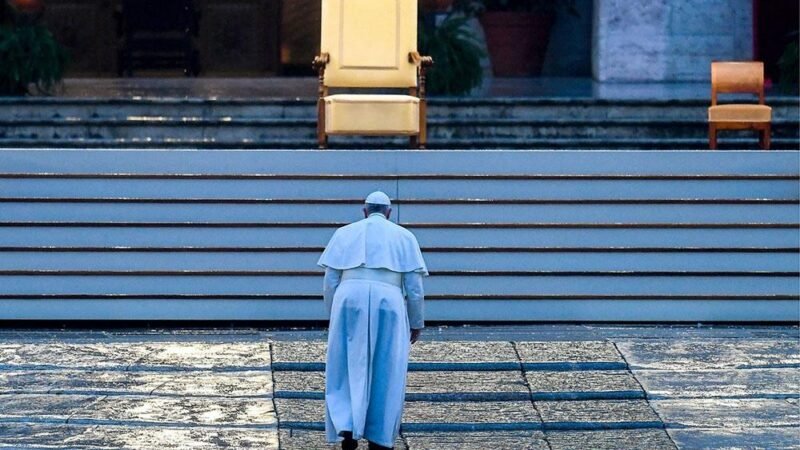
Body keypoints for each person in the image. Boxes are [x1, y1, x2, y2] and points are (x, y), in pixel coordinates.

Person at [318, 191, 427, 450]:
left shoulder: (344, 233)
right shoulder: (405, 237)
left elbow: (331, 281)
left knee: (345, 364)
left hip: (348, 298)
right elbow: (414, 288)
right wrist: (416, 322)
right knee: (386, 366)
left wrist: (333, 314)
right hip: (388, 300)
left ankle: (347, 427)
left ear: (364, 211)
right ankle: (379, 434)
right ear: (389, 213)